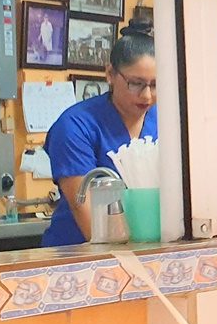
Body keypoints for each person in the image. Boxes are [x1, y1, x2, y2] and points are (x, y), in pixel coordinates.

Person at [41, 18, 156, 246]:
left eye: (155, 85)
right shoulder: (75, 126)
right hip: (77, 254)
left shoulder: (167, 123)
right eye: (136, 83)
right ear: (110, 74)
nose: (146, 96)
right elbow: (92, 225)